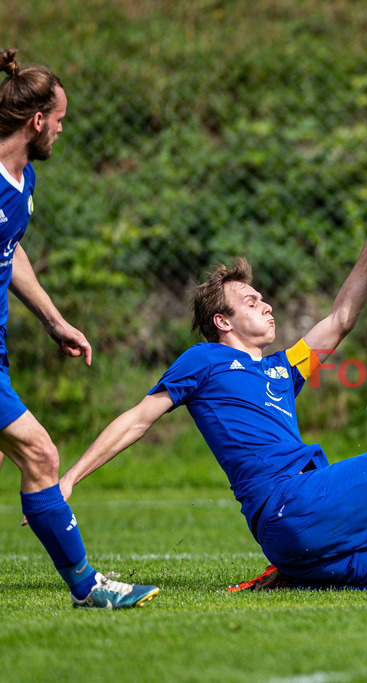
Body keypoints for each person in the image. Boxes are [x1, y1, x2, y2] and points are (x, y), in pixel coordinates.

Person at [58, 194, 367, 592]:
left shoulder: (282, 368)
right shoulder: (205, 360)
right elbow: (138, 418)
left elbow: (341, 318)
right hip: (288, 504)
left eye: (262, 297)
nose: (265, 305)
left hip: (298, 527)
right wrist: (72, 477)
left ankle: (301, 572)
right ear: (222, 321)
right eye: (250, 301)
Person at [0, 48, 159, 609]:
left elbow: (10, 249)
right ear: (37, 121)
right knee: (41, 455)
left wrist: (54, 320)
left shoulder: (23, 179)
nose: (62, 131)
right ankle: (88, 587)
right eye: (60, 121)